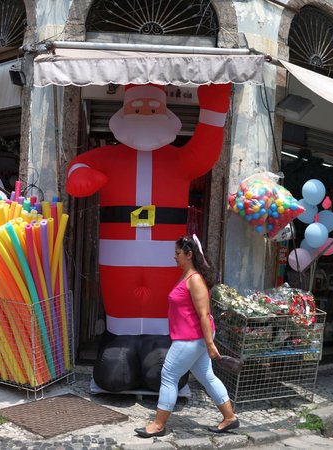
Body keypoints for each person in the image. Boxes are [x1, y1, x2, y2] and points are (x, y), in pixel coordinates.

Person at [66, 82, 232, 393]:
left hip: (165, 273)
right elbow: (79, 165)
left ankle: (160, 344)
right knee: (116, 374)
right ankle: (119, 339)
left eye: (153, 107)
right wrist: (79, 175)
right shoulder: (108, 157)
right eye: (137, 107)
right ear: (122, 112)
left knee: (160, 370)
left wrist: (213, 110)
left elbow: (205, 154)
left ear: (166, 112)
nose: (145, 113)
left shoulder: (178, 160)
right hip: (119, 271)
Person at [135, 235, 239, 438]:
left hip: (191, 338)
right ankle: (230, 418)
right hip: (191, 337)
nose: (174, 257)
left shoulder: (195, 280)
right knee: (206, 377)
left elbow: (204, 314)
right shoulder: (187, 275)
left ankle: (158, 425)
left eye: (177, 253)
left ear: (189, 254)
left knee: (169, 376)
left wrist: (209, 344)